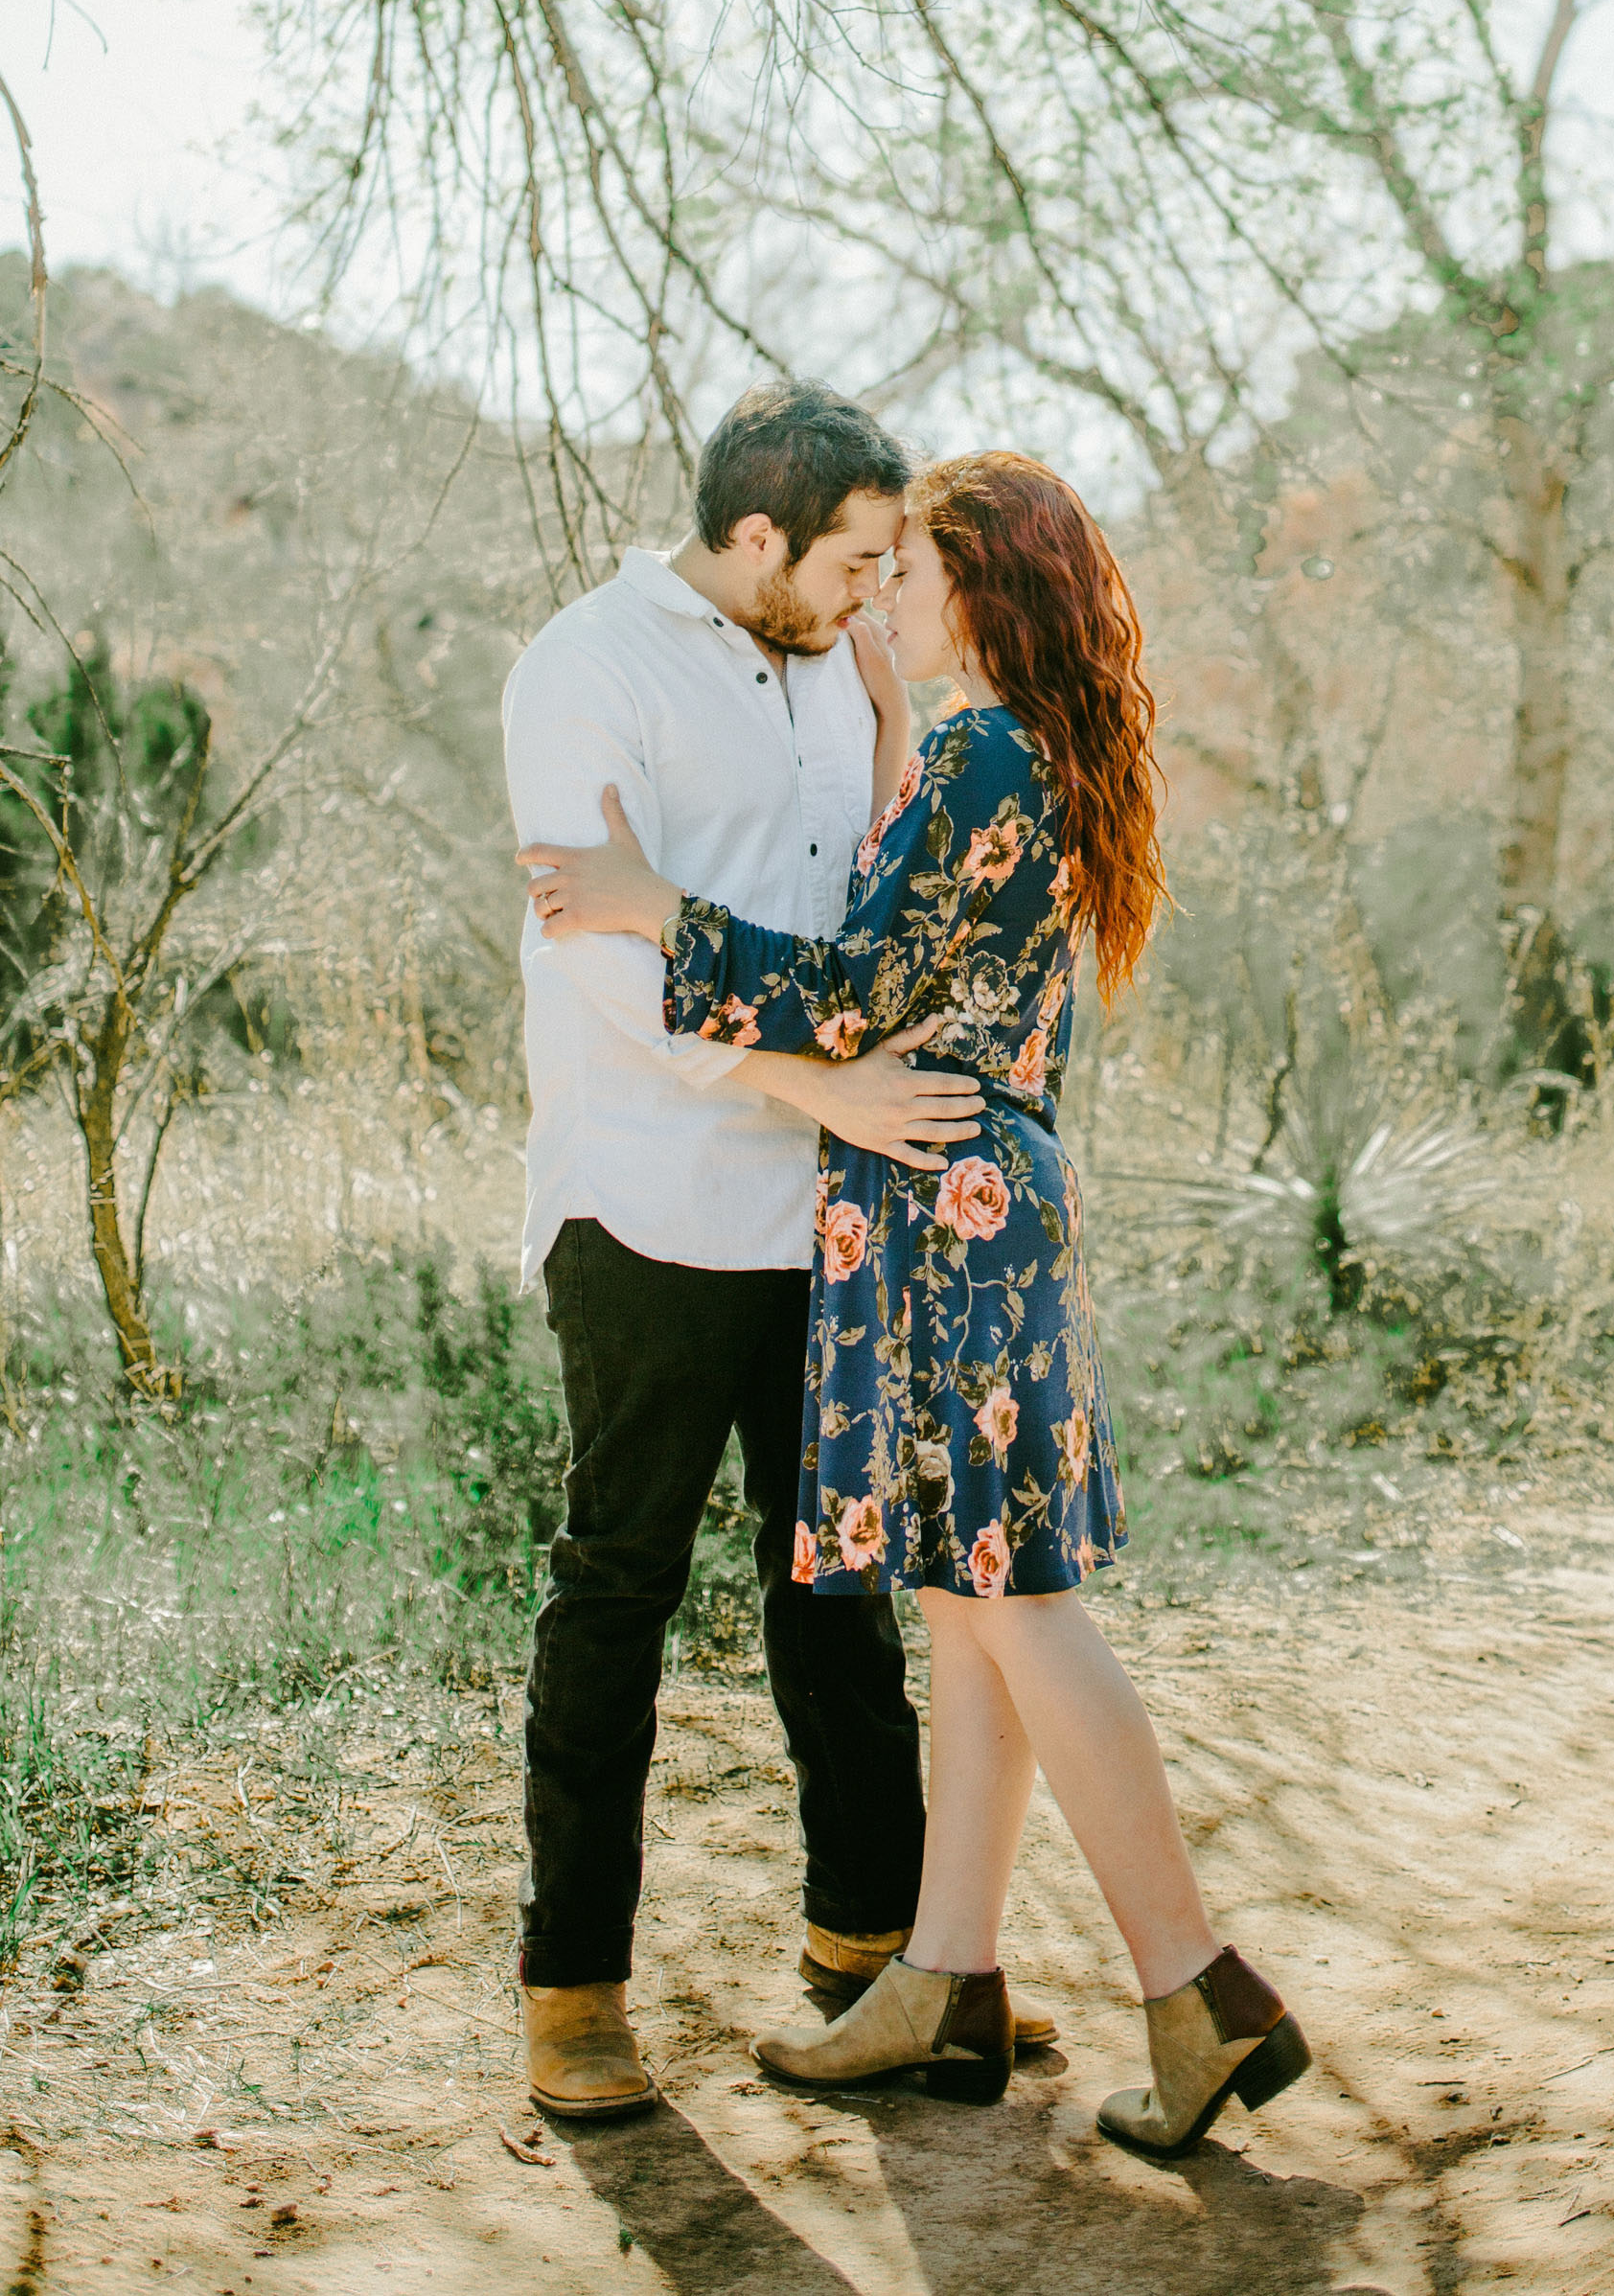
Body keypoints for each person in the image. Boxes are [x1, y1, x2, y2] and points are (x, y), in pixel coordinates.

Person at [522, 448, 1311, 2160]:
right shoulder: (1029, 745)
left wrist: (654, 902)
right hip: (977, 1193)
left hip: (941, 1200)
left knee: (1017, 1604)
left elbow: (853, 986)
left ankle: (1199, 1984)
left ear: (983, 585)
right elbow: (922, 932)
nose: (886, 596)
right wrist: (888, 719)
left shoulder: (978, 744)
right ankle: (944, 1974)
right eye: (872, 572)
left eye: (913, 571)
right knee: (969, 1606)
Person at [503, 379, 988, 2127]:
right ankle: (576, 1992)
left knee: (835, 1590)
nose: (879, 589)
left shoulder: (841, 669)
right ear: (759, 536)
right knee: (617, 1586)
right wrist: (825, 1083)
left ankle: (878, 1948)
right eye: (858, 560)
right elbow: (600, 957)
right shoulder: (586, 665)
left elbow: (872, 896)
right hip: (641, 1194)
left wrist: (885, 717)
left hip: (820, 1206)